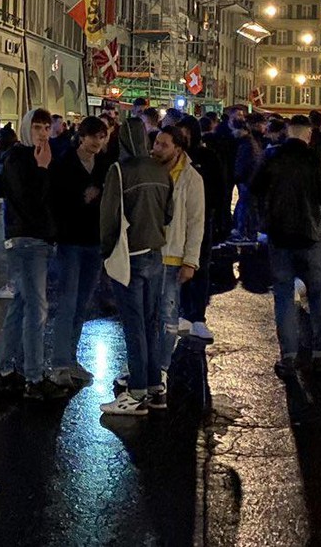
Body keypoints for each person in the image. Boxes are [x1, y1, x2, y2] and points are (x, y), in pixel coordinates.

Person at [253, 115, 321, 379]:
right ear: (307, 135)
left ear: (288, 132)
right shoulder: (316, 160)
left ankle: (288, 356)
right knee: (317, 293)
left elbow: (255, 187)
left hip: (278, 234)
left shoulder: (272, 158)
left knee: (283, 294)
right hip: (308, 234)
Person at [99, 117, 174, 418]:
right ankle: (154, 384)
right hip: (155, 253)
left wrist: (106, 253)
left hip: (129, 254)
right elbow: (168, 212)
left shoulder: (119, 171)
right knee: (150, 321)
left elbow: (109, 217)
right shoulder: (161, 170)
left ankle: (137, 391)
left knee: (134, 324)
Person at [0, 109, 66, 400]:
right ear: (26, 128)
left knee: (22, 304)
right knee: (37, 307)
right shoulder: (19, 157)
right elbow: (30, 201)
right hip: (26, 240)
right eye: (37, 127)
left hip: (38, 238)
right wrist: (43, 169)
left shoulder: (41, 155)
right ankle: (33, 378)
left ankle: (6, 370)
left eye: (46, 127)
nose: (42, 133)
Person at [49, 117, 111, 387]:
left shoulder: (105, 166)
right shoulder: (64, 162)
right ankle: (59, 362)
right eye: (93, 136)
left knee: (82, 302)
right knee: (67, 301)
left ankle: (71, 358)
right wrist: (80, 199)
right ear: (81, 137)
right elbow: (54, 201)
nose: (97, 142)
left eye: (102, 136)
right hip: (70, 241)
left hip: (94, 241)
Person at [152, 125, 206, 404]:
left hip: (172, 256)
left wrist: (191, 261)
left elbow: (196, 222)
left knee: (167, 317)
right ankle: (146, 367)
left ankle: (160, 369)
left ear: (178, 149)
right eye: (156, 143)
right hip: (148, 253)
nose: (156, 148)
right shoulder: (150, 170)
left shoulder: (191, 178)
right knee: (146, 316)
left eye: (163, 144)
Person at [181, 114, 227, 343]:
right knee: (178, 266)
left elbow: (220, 189)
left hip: (201, 219)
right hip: (179, 221)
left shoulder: (206, 157)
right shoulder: (176, 155)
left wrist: (218, 216)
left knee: (199, 266)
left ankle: (197, 316)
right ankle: (182, 313)